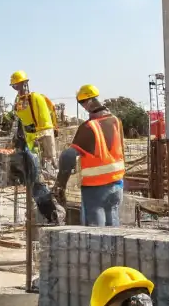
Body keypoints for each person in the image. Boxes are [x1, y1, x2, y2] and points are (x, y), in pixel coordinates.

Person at [54, 84, 125, 226]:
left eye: (82, 103)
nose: (83, 107)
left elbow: (68, 156)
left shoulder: (88, 127)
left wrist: (60, 185)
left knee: (95, 234)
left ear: (90, 101)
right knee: (114, 229)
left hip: (95, 188)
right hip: (117, 184)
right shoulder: (116, 121)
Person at [9, 69, 58, 168]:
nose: (16, 88)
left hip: (44, 133)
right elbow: (19, 118)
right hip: (30, 135)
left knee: (49, 161)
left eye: (17, 84)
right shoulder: (18, 101)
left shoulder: (35, 97)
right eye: (14, 86)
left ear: (24, 83)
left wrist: (54, 127)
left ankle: (53, 180)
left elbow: (50, 111)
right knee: (34, 163)